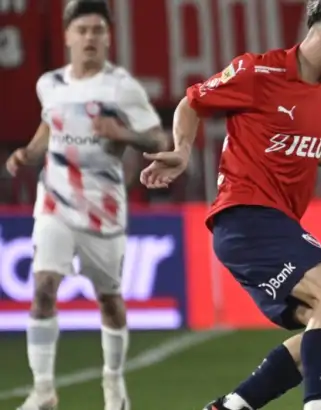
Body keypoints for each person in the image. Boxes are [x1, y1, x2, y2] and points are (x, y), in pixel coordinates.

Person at [139, 1, 321, 409]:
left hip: (276, 222)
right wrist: (182, 150)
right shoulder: (257, 72)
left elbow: (314, 147)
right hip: (245, 215)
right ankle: (320, 404)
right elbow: (192, 103)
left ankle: (231, 406)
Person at [4, 1, 168, 409]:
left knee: (109, 300)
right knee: (43, 288)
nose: (90, 37)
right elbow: (50, 124)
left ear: (108, 37)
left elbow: (158, 139)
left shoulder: (122, 88)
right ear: (68, 36)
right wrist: (29, 153)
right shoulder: (50, 84)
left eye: (97, 30)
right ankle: (44, 390)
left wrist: (121, 132)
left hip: (103, 208)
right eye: (82, 30)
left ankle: (113, 381)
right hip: (55, 202)